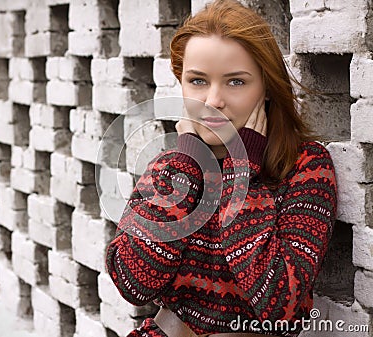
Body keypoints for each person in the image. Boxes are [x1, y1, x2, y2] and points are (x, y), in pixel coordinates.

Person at [105, 0, 337, 336]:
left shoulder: (305, 168)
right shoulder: (170, 168)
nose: (213, 100)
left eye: (236, 82)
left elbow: (283, 307)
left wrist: (241, 175)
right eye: (198, 81)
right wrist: (186, 169)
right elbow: (134, 284)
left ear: (267, 88)